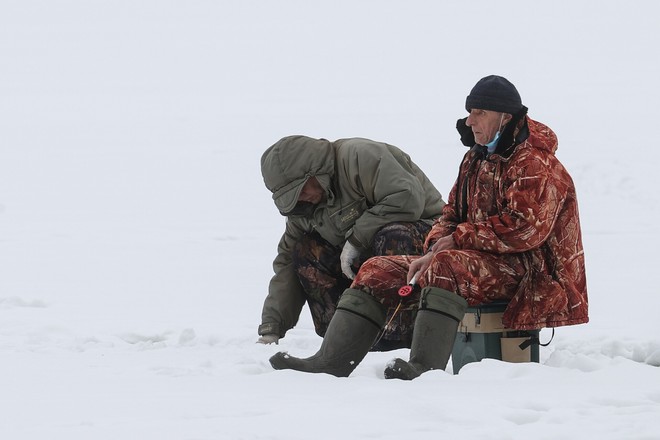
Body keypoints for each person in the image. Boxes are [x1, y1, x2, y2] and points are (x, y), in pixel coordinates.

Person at [269, 75, 589, 379]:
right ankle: (329, 363)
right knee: (377, 268)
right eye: (469, 112)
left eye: (479, 113)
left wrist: (454, 242)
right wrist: (435, 242)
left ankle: (423, 368)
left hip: (532, 273)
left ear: (505, 117)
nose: (469, 121)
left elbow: (525, 229)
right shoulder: (476, 159)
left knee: (447, 265)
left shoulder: (534, 161)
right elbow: (450, 213)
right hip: (479, 262)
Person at [257, 135, 445, 349]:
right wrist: (272, 326)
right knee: (306, 250)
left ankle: (401, 337)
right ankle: (342, 340)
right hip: (365, 256)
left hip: (429, 240)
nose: (300, 199)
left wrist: (356, 240)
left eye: (300, 191)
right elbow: (287, 261)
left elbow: (406, 198)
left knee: (392, 236)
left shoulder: (359, 157)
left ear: (314, 172)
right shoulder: (303, 208)